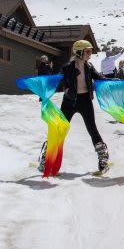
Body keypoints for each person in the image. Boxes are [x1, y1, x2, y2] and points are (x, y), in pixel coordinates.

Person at [39, 40, 109, 173]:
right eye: (87, 51)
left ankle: (103, 157)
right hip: (69, 101)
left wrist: (114, 81)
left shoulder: (89, 66)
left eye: (90, 51)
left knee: (92, 129)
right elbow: (57, 80)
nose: (90, 54)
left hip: (85, 101)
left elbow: (99, 77)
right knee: (60, 130)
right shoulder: (68, 67)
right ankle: (46, 157)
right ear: (79, 52)